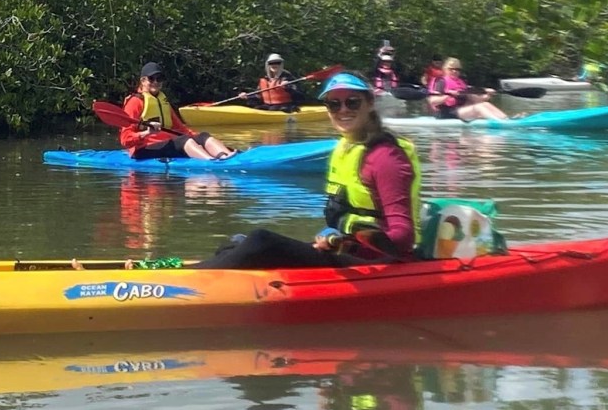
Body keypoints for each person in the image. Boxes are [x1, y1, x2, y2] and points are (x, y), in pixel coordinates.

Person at [192, 71, 421, 269]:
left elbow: (402, 237)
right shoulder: (347, 147)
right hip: (350, 253)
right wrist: (337, 241)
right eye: (334, 104)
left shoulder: (386, 157)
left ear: (370, 103)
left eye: (352, 102)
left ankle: (188, 285)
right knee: (237, 243)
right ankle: (199, 276)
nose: (343, 110)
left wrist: (345, 243)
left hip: (383, 264)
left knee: (261, 241)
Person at [120, 62, 236, 161]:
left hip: (166, 143)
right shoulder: (134, 102)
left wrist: (199, 139)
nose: (156, 82)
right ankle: (211, 163)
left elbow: (181, 129)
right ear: (143, 80)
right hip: (143, 149)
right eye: (152, 78)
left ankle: (227, 156)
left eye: (159, 79)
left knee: (203, 136)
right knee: (184, 141)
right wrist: (146, 133)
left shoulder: (163, 101)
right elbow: (125, 140)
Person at [427, 58, 509, 121]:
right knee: (478, 108)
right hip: (445, 113)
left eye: (457, 69)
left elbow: (474, 99)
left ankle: (506, 119)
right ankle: (497, 122)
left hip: (461, 110)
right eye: (451, 69)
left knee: (485, 104)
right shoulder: (441, 81)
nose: (455, 71)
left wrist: (488, 95)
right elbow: (432, 101)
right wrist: (448, 96)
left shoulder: (461, 83)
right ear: (445, 69)